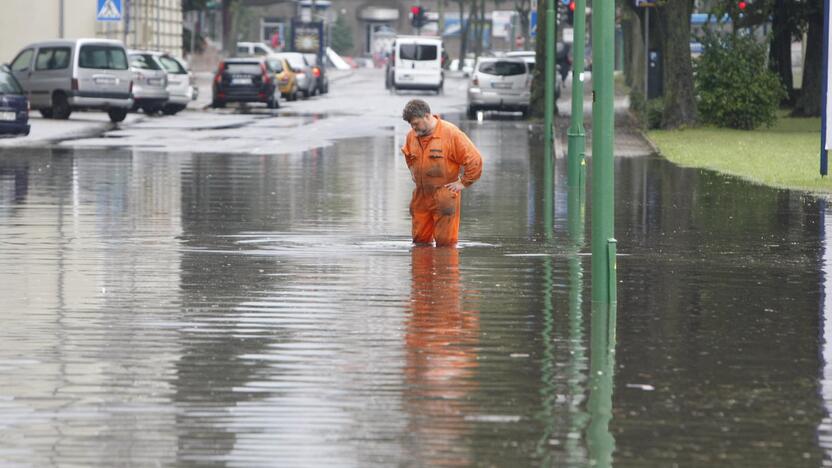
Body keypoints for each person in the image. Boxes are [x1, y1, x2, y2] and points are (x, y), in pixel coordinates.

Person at [400, 99, 483, 246]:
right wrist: (413, 171)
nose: (413, 128)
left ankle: (445, 266)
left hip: (444, 195)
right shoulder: (411, 136)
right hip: (421, 196)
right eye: (411, 125)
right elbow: (408, 155)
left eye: (416, 123)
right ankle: (421, 268)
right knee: (419, 243)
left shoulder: (451, 134)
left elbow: (475, 160)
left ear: (427, 116)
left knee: (446, 245)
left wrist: (463, 183)